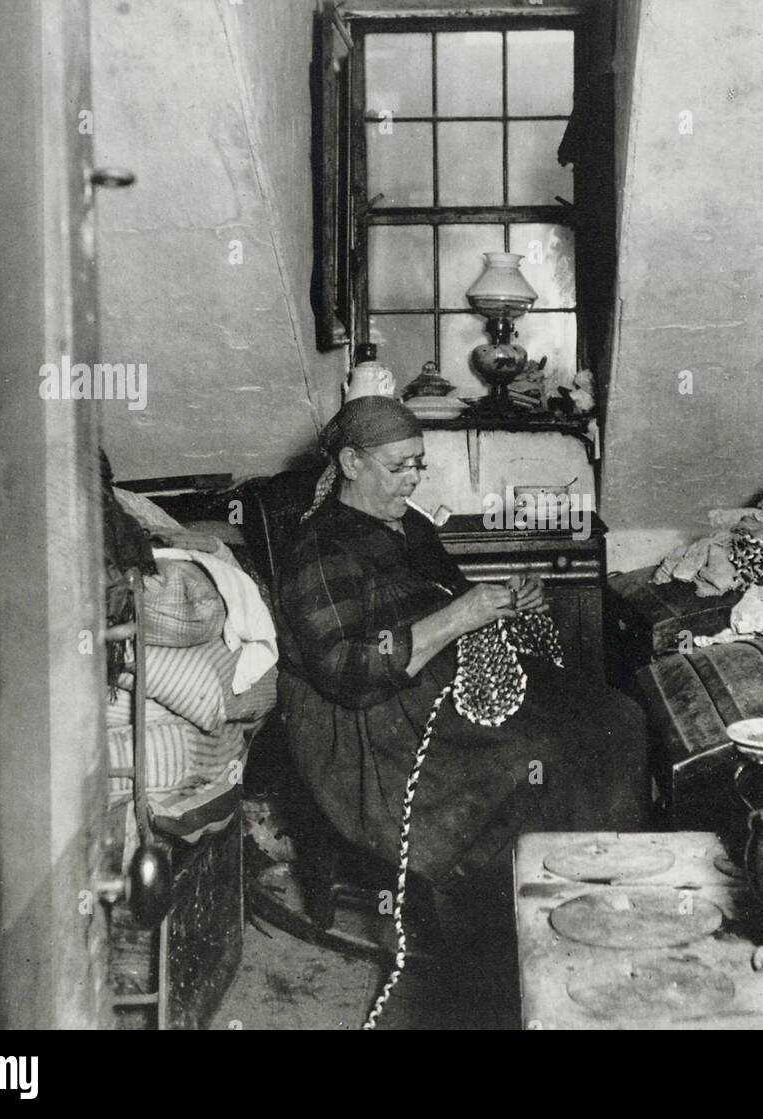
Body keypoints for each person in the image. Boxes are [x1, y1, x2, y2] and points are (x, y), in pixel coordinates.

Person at [273, 397, 649, 984]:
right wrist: (462, 615)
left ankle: (603, 898)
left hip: (443, 676)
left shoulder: (409, 523)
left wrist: (504, 600)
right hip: (372, 717)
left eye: (419, 464)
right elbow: (346, 673)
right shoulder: (319, 550)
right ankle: (503, 957)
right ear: (350, 462)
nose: (414, 479)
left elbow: (448, 597)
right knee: (537, 754)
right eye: (399, 467)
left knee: (615, 716)